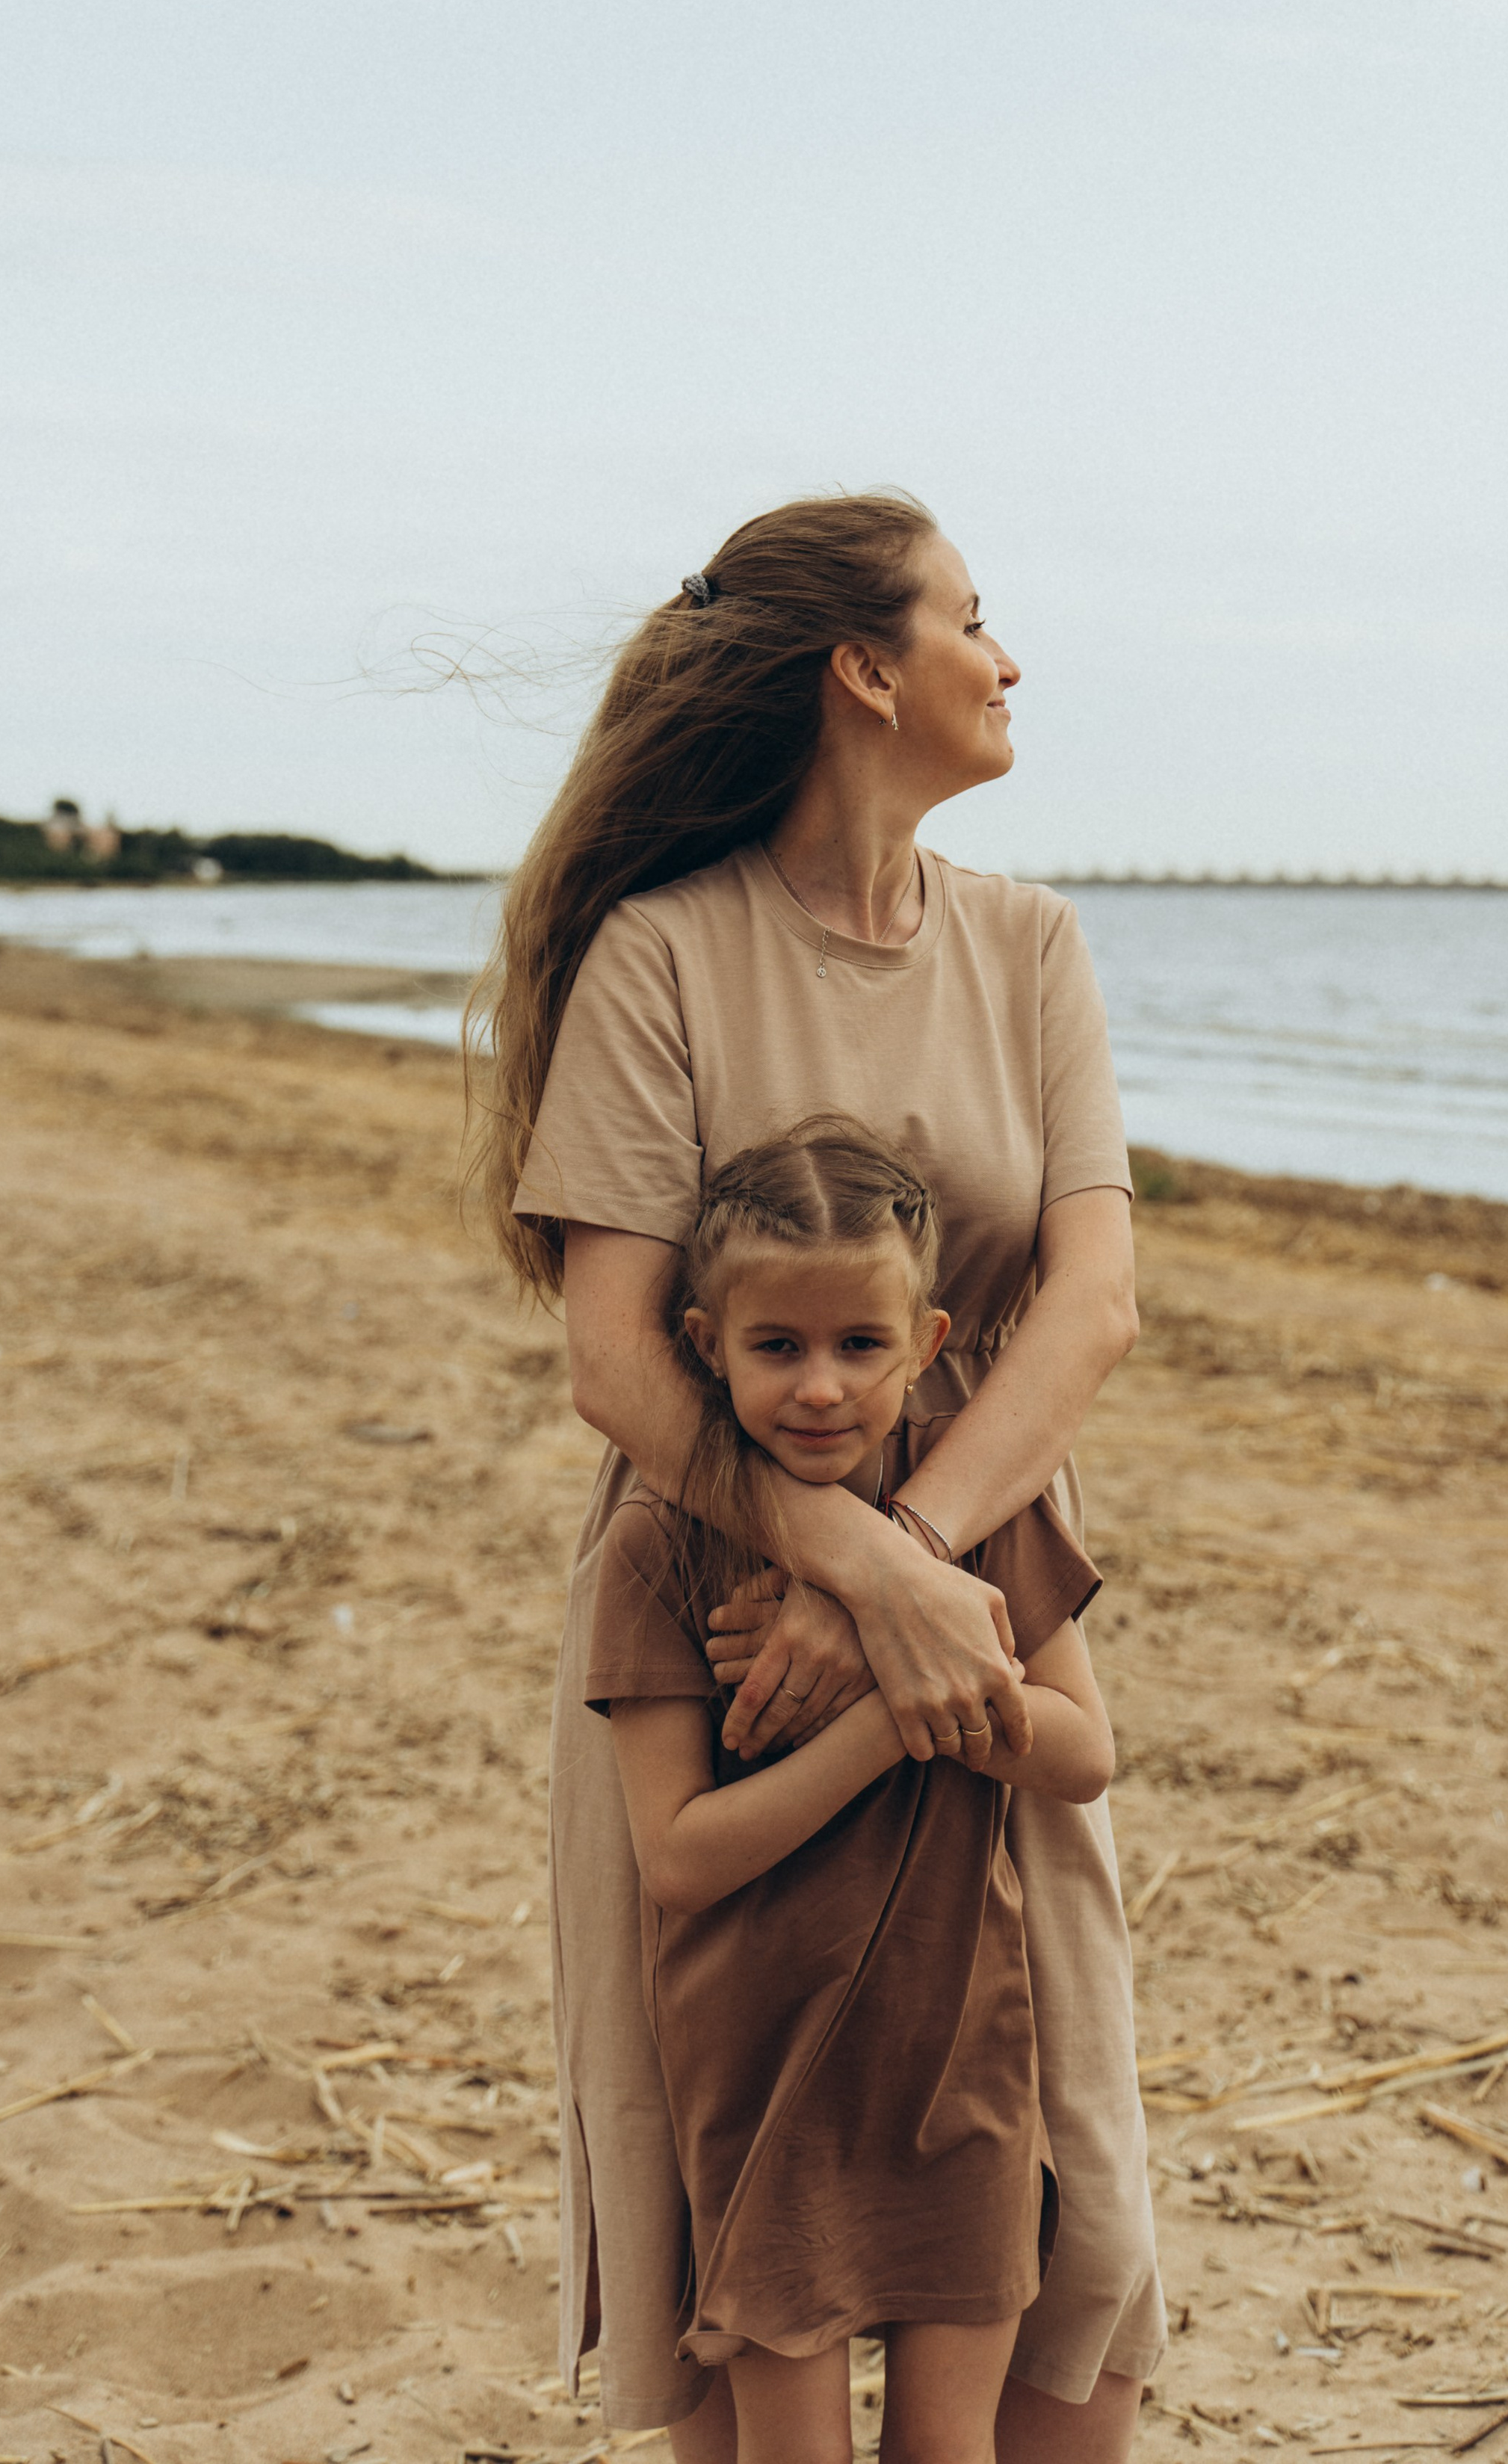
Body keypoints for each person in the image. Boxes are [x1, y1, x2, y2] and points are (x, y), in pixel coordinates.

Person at [472, 490, 1164, 2460]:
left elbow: (1091, 1308)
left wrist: (918, 1581)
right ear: (867, 668)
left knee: (1067, 2208)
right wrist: (848, 1579)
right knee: (725, 2216)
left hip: (988, 1614)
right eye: (973, 617)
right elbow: (616, 1357)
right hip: (714, 1603)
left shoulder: (1033, 948)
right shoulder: (663, 957)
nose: (1008, 656)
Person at [590, 1118, 1114, 2464]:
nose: (821, 1389)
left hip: (961, 2060)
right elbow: (682, 1859)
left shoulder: (984, 1515)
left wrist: (912, 1635)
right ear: (705, 1346)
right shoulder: (661, 1545)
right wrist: (897, 1712)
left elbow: (1081, 1752)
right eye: (778, 1348)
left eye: (860, 1347)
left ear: (930, 1345)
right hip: (765, 2076)